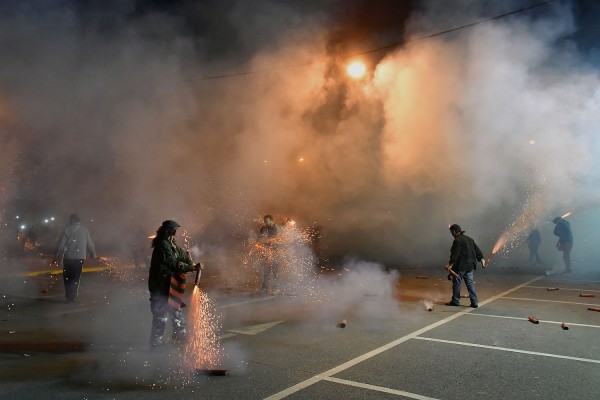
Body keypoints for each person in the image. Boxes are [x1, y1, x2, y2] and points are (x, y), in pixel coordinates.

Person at [148, 220, 200, 348]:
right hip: (160, 286)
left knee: (175, 311)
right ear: (171, 231)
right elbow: (172, 263)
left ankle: (179, 336)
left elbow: (181, 255)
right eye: (175, 230)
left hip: (168, 286)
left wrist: (192, 264)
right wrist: (190, 268)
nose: (177, 232)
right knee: (161, 316)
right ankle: (156, 344)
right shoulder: (162, 246)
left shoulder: (171, 244)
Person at [53, 214, 97, 303]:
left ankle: (69, 296)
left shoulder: (67, 229)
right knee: (76, 277)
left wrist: (56, 256)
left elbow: (61, 244)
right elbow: (90, 244)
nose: (69, 221)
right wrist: (93, 254)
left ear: (73, 219)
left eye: (70, 219)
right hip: (80, 257)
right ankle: (73, 296)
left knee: (67, 277)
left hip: (68, 257)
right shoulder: (85, 230)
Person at [445, 224, 486, 308]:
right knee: (470, 284)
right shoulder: (470, 239)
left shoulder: (457, 241)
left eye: (452, 233)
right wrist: (482, 260)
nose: (452, 234)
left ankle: (455, 301)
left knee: (457, 283)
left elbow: (455, 254)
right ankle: (474, 302)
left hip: (460, 267)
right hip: (470, 266)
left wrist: (450, 265)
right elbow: (477, 250)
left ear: (454, 232)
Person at [257, 214, 279, 294]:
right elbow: (259, 238)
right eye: (265, 221)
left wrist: (268, 241)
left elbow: (276, 239)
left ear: (271, 220)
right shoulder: (263, 228)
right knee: (266, 270)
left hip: (275, 252)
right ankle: (264, 287)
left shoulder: (276, 228)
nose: (265, 222)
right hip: (265, 251)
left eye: (267, 221)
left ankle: (275, 288)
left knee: (275, 271)